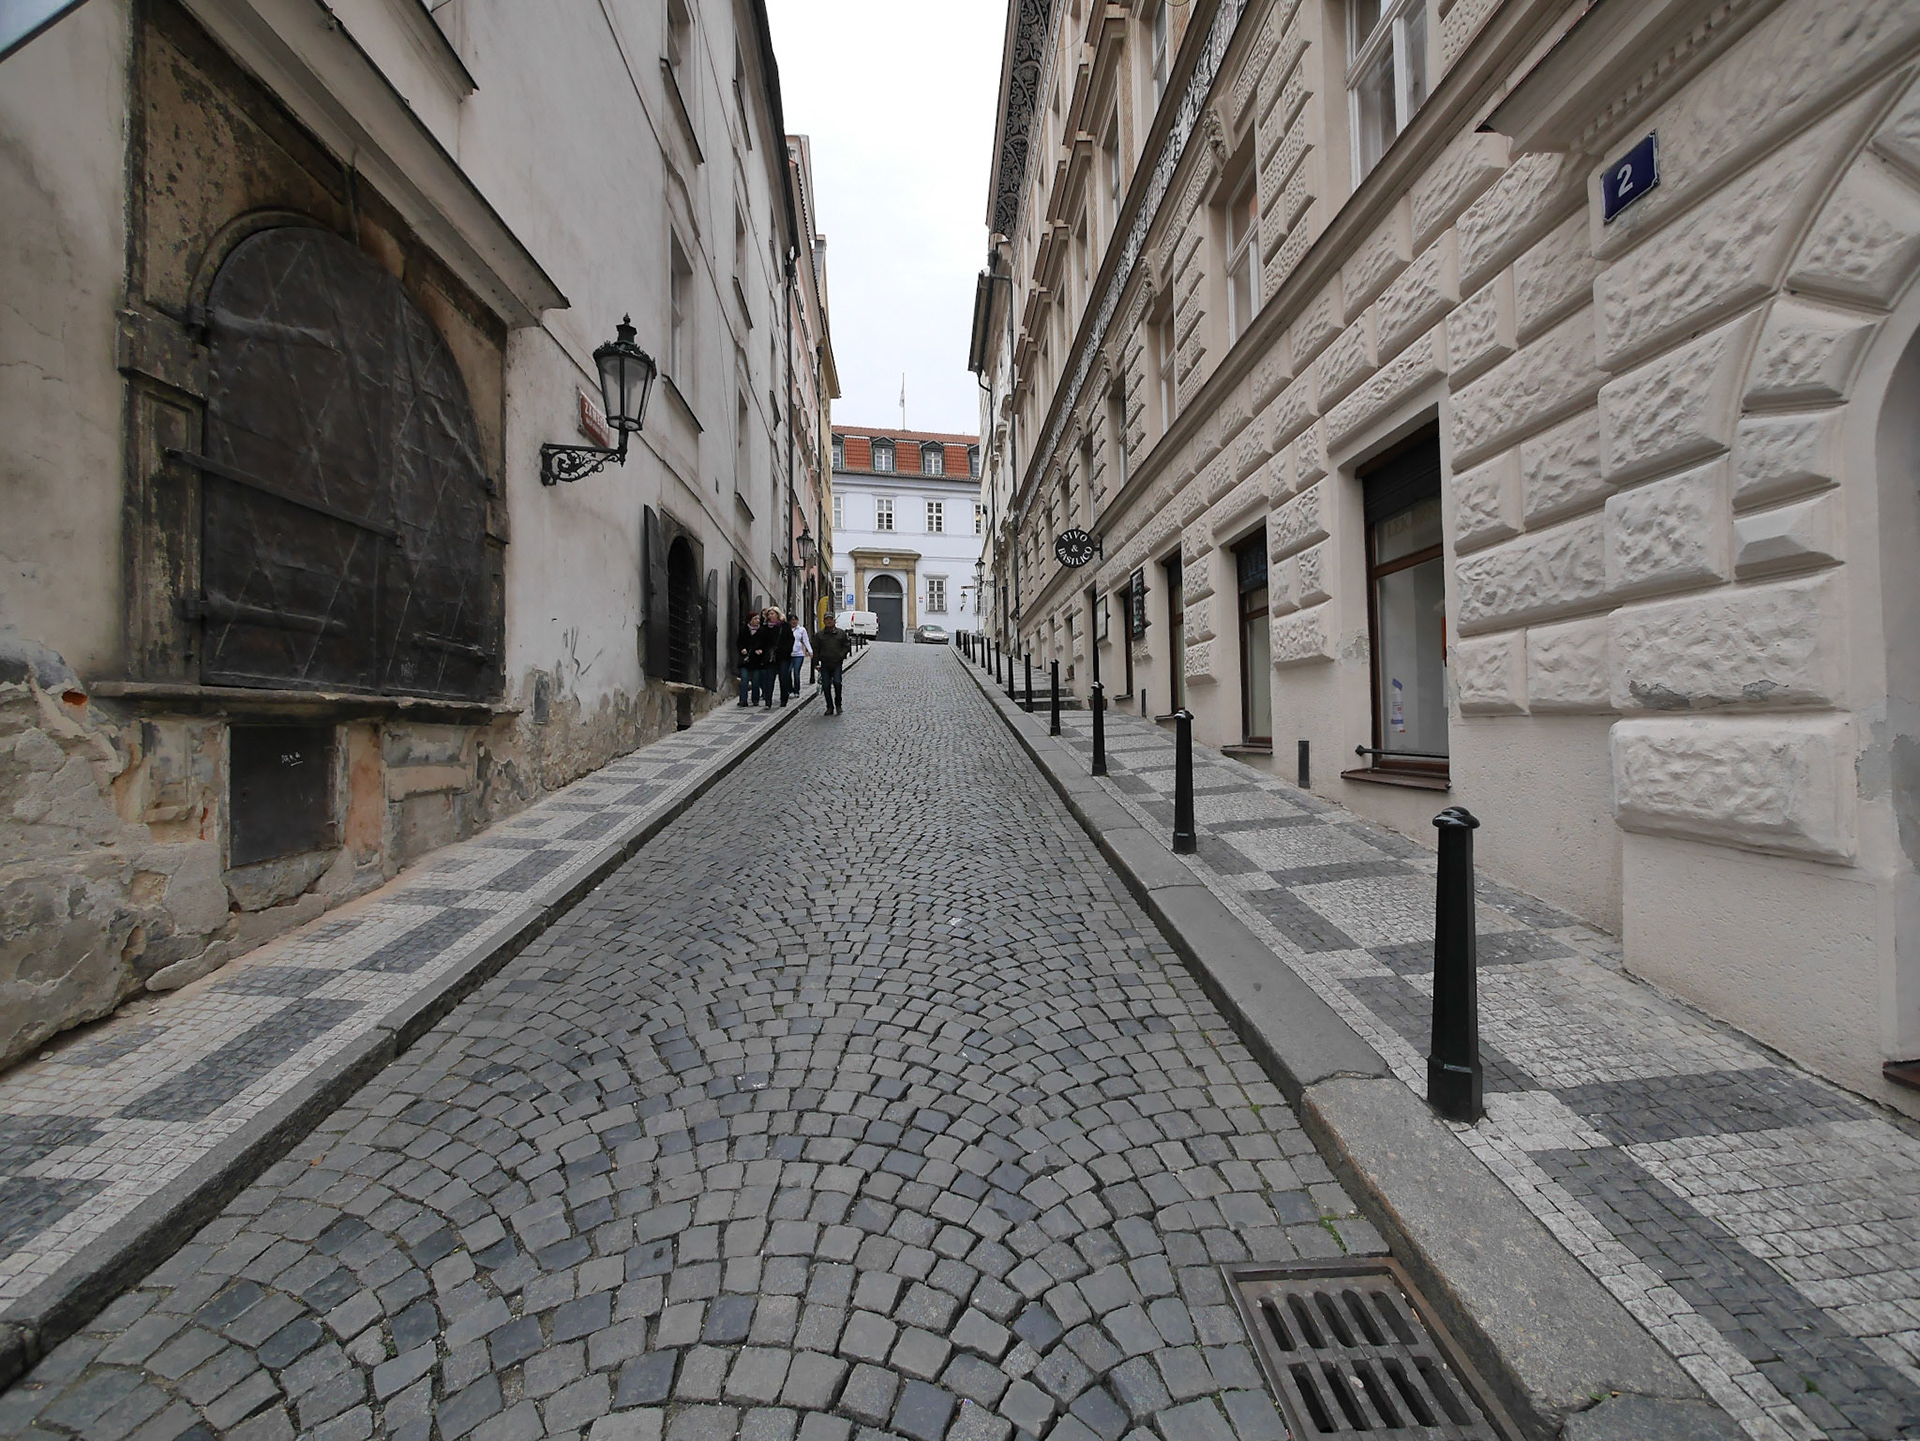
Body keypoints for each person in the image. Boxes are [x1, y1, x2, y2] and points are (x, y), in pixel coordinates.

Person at [813, 610, 854, 715]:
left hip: (836, 663)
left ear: (834, 621)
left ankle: (838, 705)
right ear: (824, 621)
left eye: (831, 619)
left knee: (837, 683)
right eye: (827, 620)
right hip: (825, 664)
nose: (829, 621)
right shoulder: (819, 635)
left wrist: (841, 655)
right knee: (826, 686)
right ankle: (829, 706)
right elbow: (816, 649)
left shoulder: (841, 633)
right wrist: (816, 663)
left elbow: (846, 646)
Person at [754, 607, 791, 708]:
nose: (770, 616)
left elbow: (790, 640)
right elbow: (760, 641)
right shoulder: (765, 628)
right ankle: (768, 701)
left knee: (783, 678)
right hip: (770, 657)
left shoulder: (785, 626)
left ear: (778, 615)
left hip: (783, 656)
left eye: (773, 614)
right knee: (769, 679)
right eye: (769, 614)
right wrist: (760, 649)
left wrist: (786, 651)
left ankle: (784, 699)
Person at [735, 610, 763, 707]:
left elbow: (765, 644)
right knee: (744, 680)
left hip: (756, 660)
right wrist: (742, 649)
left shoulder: (761, 631)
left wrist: (761, 650)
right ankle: (743, 700)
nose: (757, 621)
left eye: (758, 619)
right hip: (745, 659)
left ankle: (755, 699)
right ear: (750, 620)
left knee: (755, 681)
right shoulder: (744, 630)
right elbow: (739, 642)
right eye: (755, 619)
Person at [783, 611, 812, 705]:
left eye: (795, 620)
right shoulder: (786, 629)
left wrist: (810, 651)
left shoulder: (801, 630)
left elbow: (806, 640)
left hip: (799, 654)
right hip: (788, 654)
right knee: (787, 672)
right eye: (792, 620)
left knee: (796, 672)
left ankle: (796, 690)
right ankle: (789, 688)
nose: (794, 622)